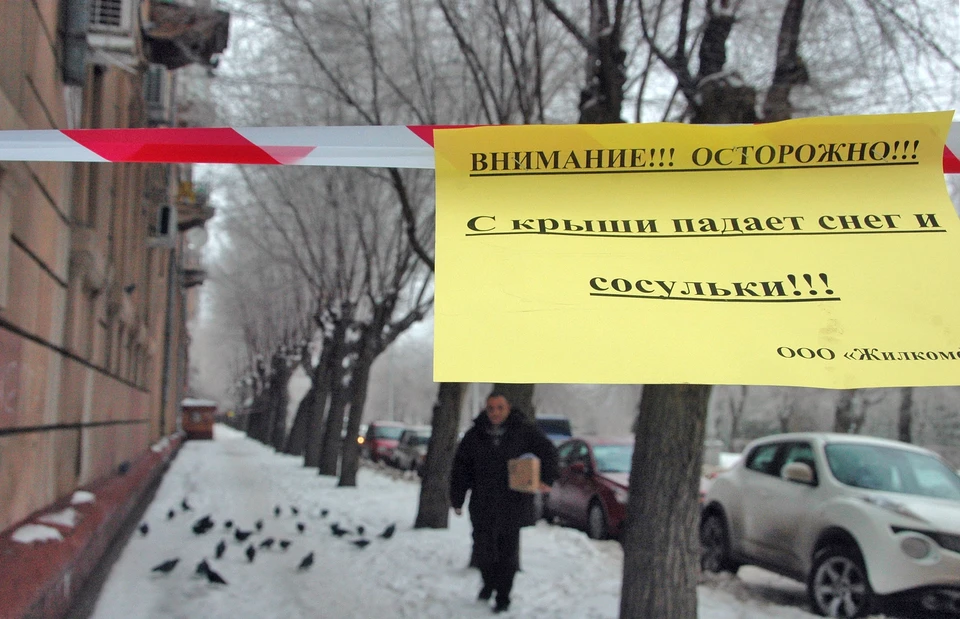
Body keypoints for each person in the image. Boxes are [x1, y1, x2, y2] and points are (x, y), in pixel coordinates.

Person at [450, 392, 559, 614]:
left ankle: (503, 596)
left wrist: (547, 479)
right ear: (486, 409)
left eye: (500, 408)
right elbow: (461, 468)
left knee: (507, 553)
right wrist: (457, 499)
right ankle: (488, 583)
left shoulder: (524, 431)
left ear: (508, 408)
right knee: (483, 550)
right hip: (482, 503)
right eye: (491, 408)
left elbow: (548, 451)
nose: (495, 413)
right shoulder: (474, 435)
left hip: (512, 503)